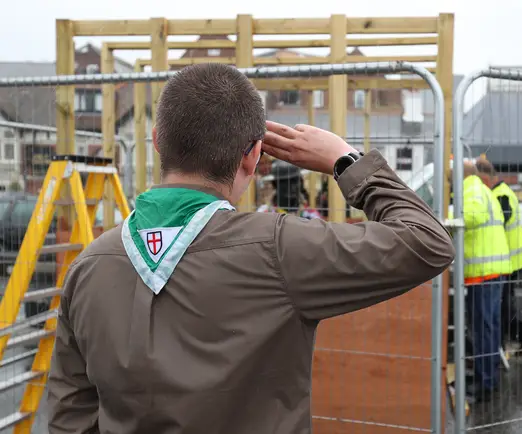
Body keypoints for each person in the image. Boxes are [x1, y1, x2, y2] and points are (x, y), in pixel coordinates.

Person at [47, 63, 456, 434]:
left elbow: (70, 417)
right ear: (254, 155)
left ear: (156, 142)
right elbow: (427, 242)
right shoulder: (278, 249)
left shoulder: (88, 267)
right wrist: (344, 161)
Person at [451, 160, 511, 403]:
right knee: (490, 327)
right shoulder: (481, 189)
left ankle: (484, 382)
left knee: (482, 328)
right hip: (492, 270)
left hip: (484, 272)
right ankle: (488, 378)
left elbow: (472, 217)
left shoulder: (472, 189)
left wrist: (449, 219)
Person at [475, 157, 522, 351]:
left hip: (508, 261)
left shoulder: (501, 195)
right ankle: (507, 342)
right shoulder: (500, 193)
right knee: (502, 307)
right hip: (507, 260)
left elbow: (496, 224)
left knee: (501, 308)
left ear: (487, 178)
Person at [256, 159, 322, 219]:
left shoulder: (311, 216)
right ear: (275, 184)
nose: (293, 186)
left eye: (295, 180)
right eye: (286, 182)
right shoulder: (264, 215)